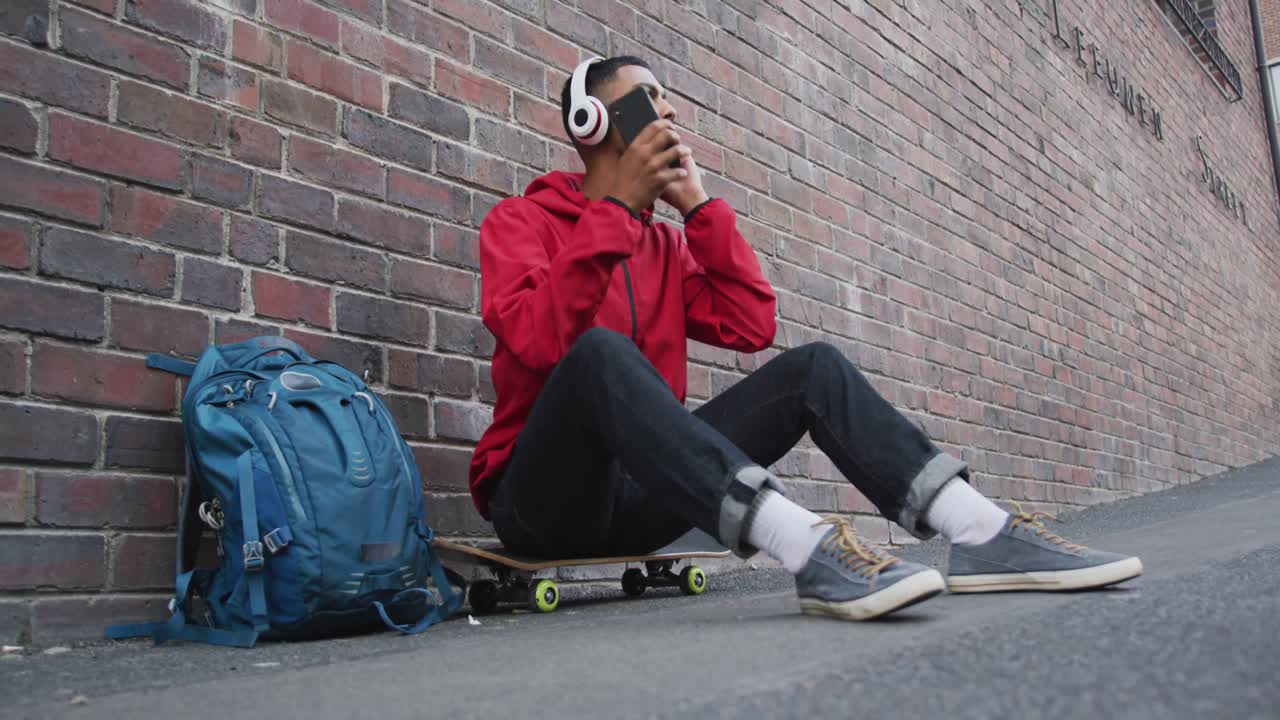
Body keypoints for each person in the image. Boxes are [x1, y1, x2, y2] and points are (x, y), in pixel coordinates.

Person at [468, 56, 1142, 621]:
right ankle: (808, 547)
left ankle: (981, 532)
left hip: (646, 499)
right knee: (596, 355)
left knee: (814, 368)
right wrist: (612, 215)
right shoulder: (520, 222)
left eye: (670, 105)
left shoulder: (665, 249)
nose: (666, 116)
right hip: (541, 505)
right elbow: (537, 342)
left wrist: (700, 211)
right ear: (590, 126)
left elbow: (750, 323)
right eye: (646, 103)